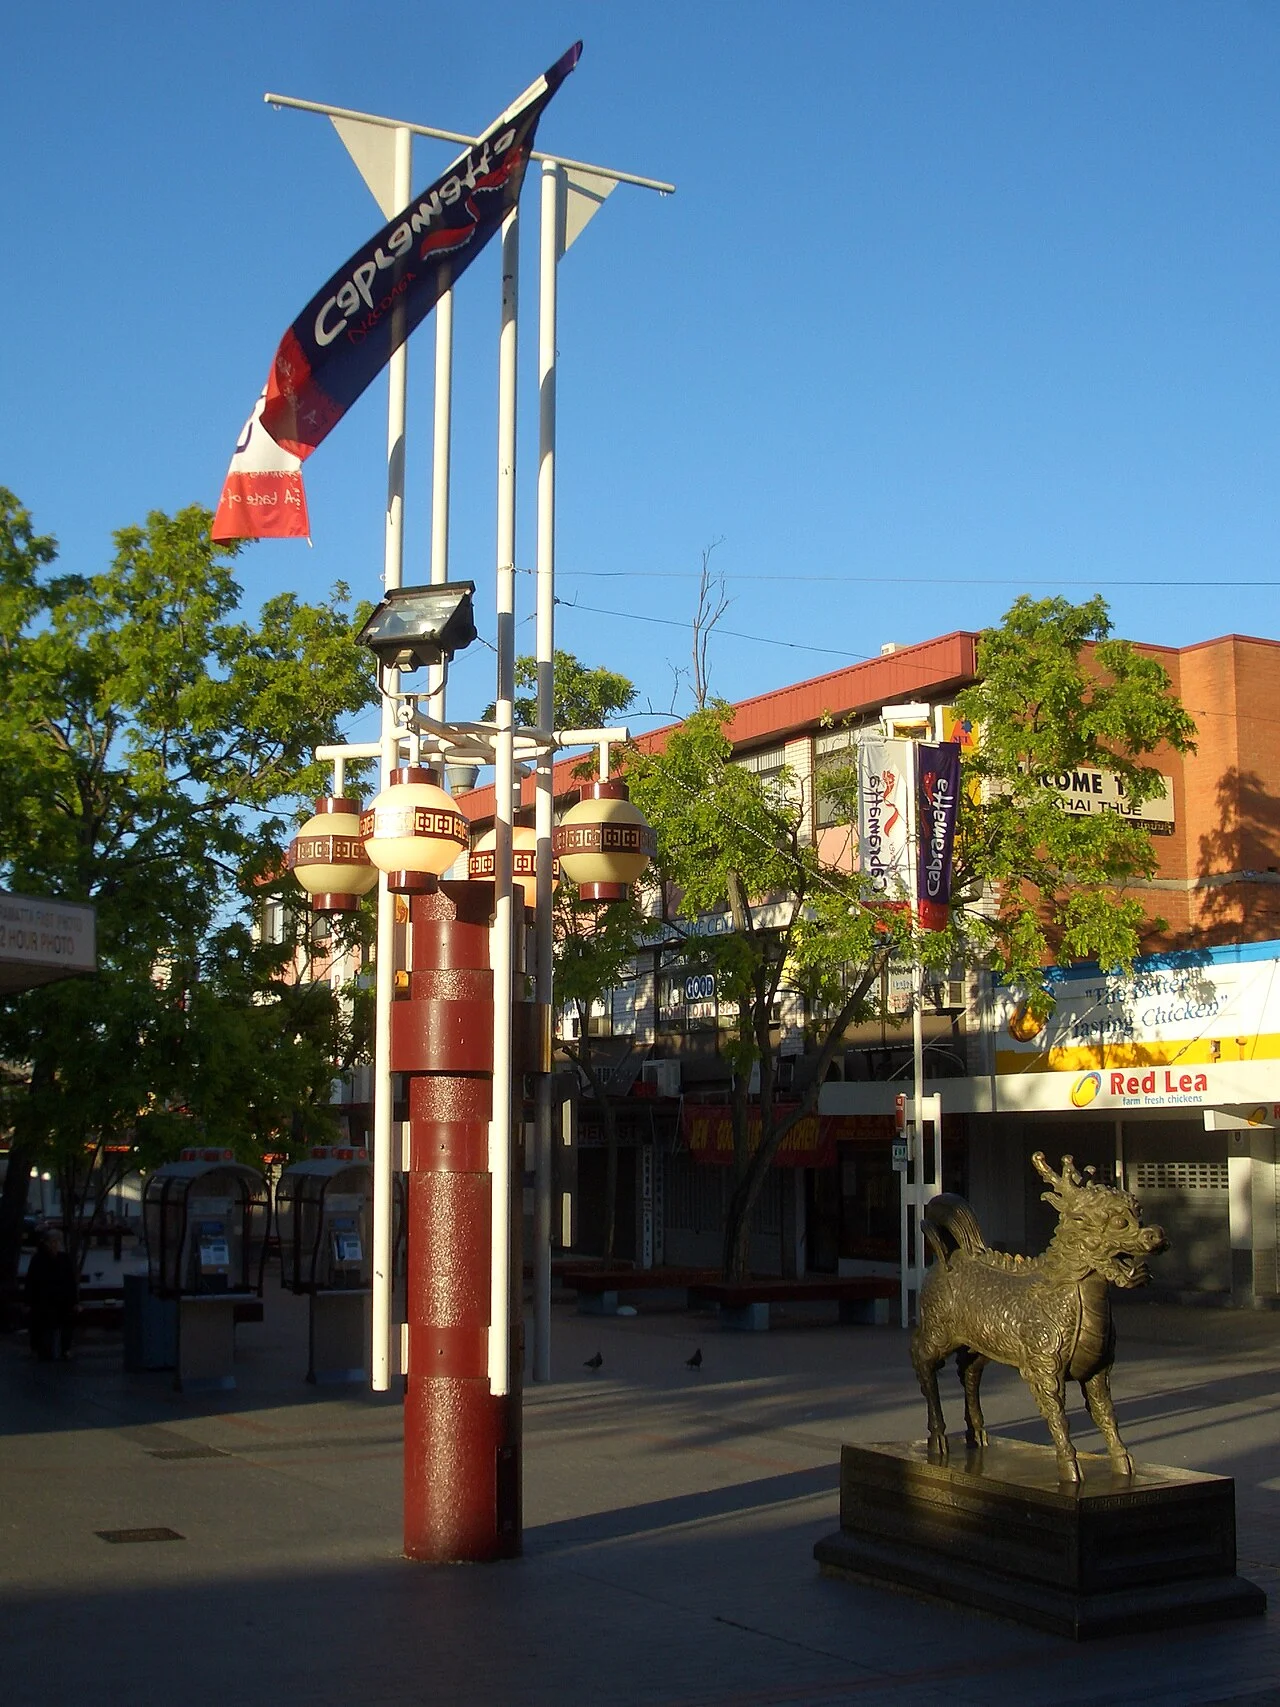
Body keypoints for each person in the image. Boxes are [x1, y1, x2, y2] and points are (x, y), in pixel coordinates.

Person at [24, 1228, 78, 1361]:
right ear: (47, 1243)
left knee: (68, 1315)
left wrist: (75, 1302)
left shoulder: (64, 1259)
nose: (55, 1245)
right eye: (53, 1242)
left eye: (57, 1242)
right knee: (37, 1316)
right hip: (43, 1301)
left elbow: (70, 1283)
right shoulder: (38, 1259)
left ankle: (66, 1348)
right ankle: (35, 1348)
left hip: (61, 1301)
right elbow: (31, 1282)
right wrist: (28, 1302)